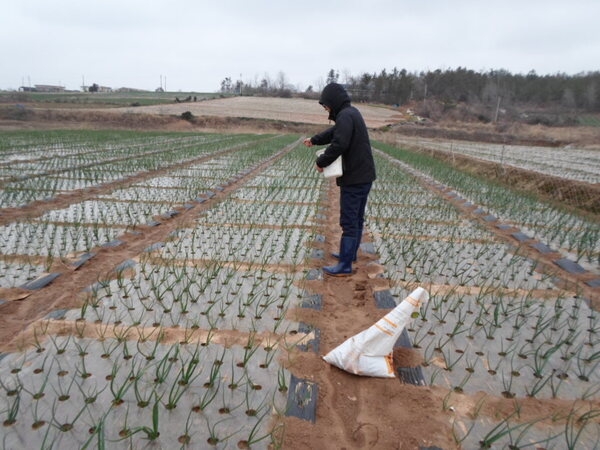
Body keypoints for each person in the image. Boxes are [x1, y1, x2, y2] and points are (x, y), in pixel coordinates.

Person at [303, 83, 376, 276]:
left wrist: (321, 161)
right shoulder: (351, 113)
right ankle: (349, 255)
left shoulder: (345, 116)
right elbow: (336, 132)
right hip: (364, 176)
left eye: (326, 106)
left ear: (333, 102)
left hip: (354, 178)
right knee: (357, 219)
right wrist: (315, 139)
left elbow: (339, 143)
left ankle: (344, 265)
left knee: (349, 221)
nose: (326, 109)